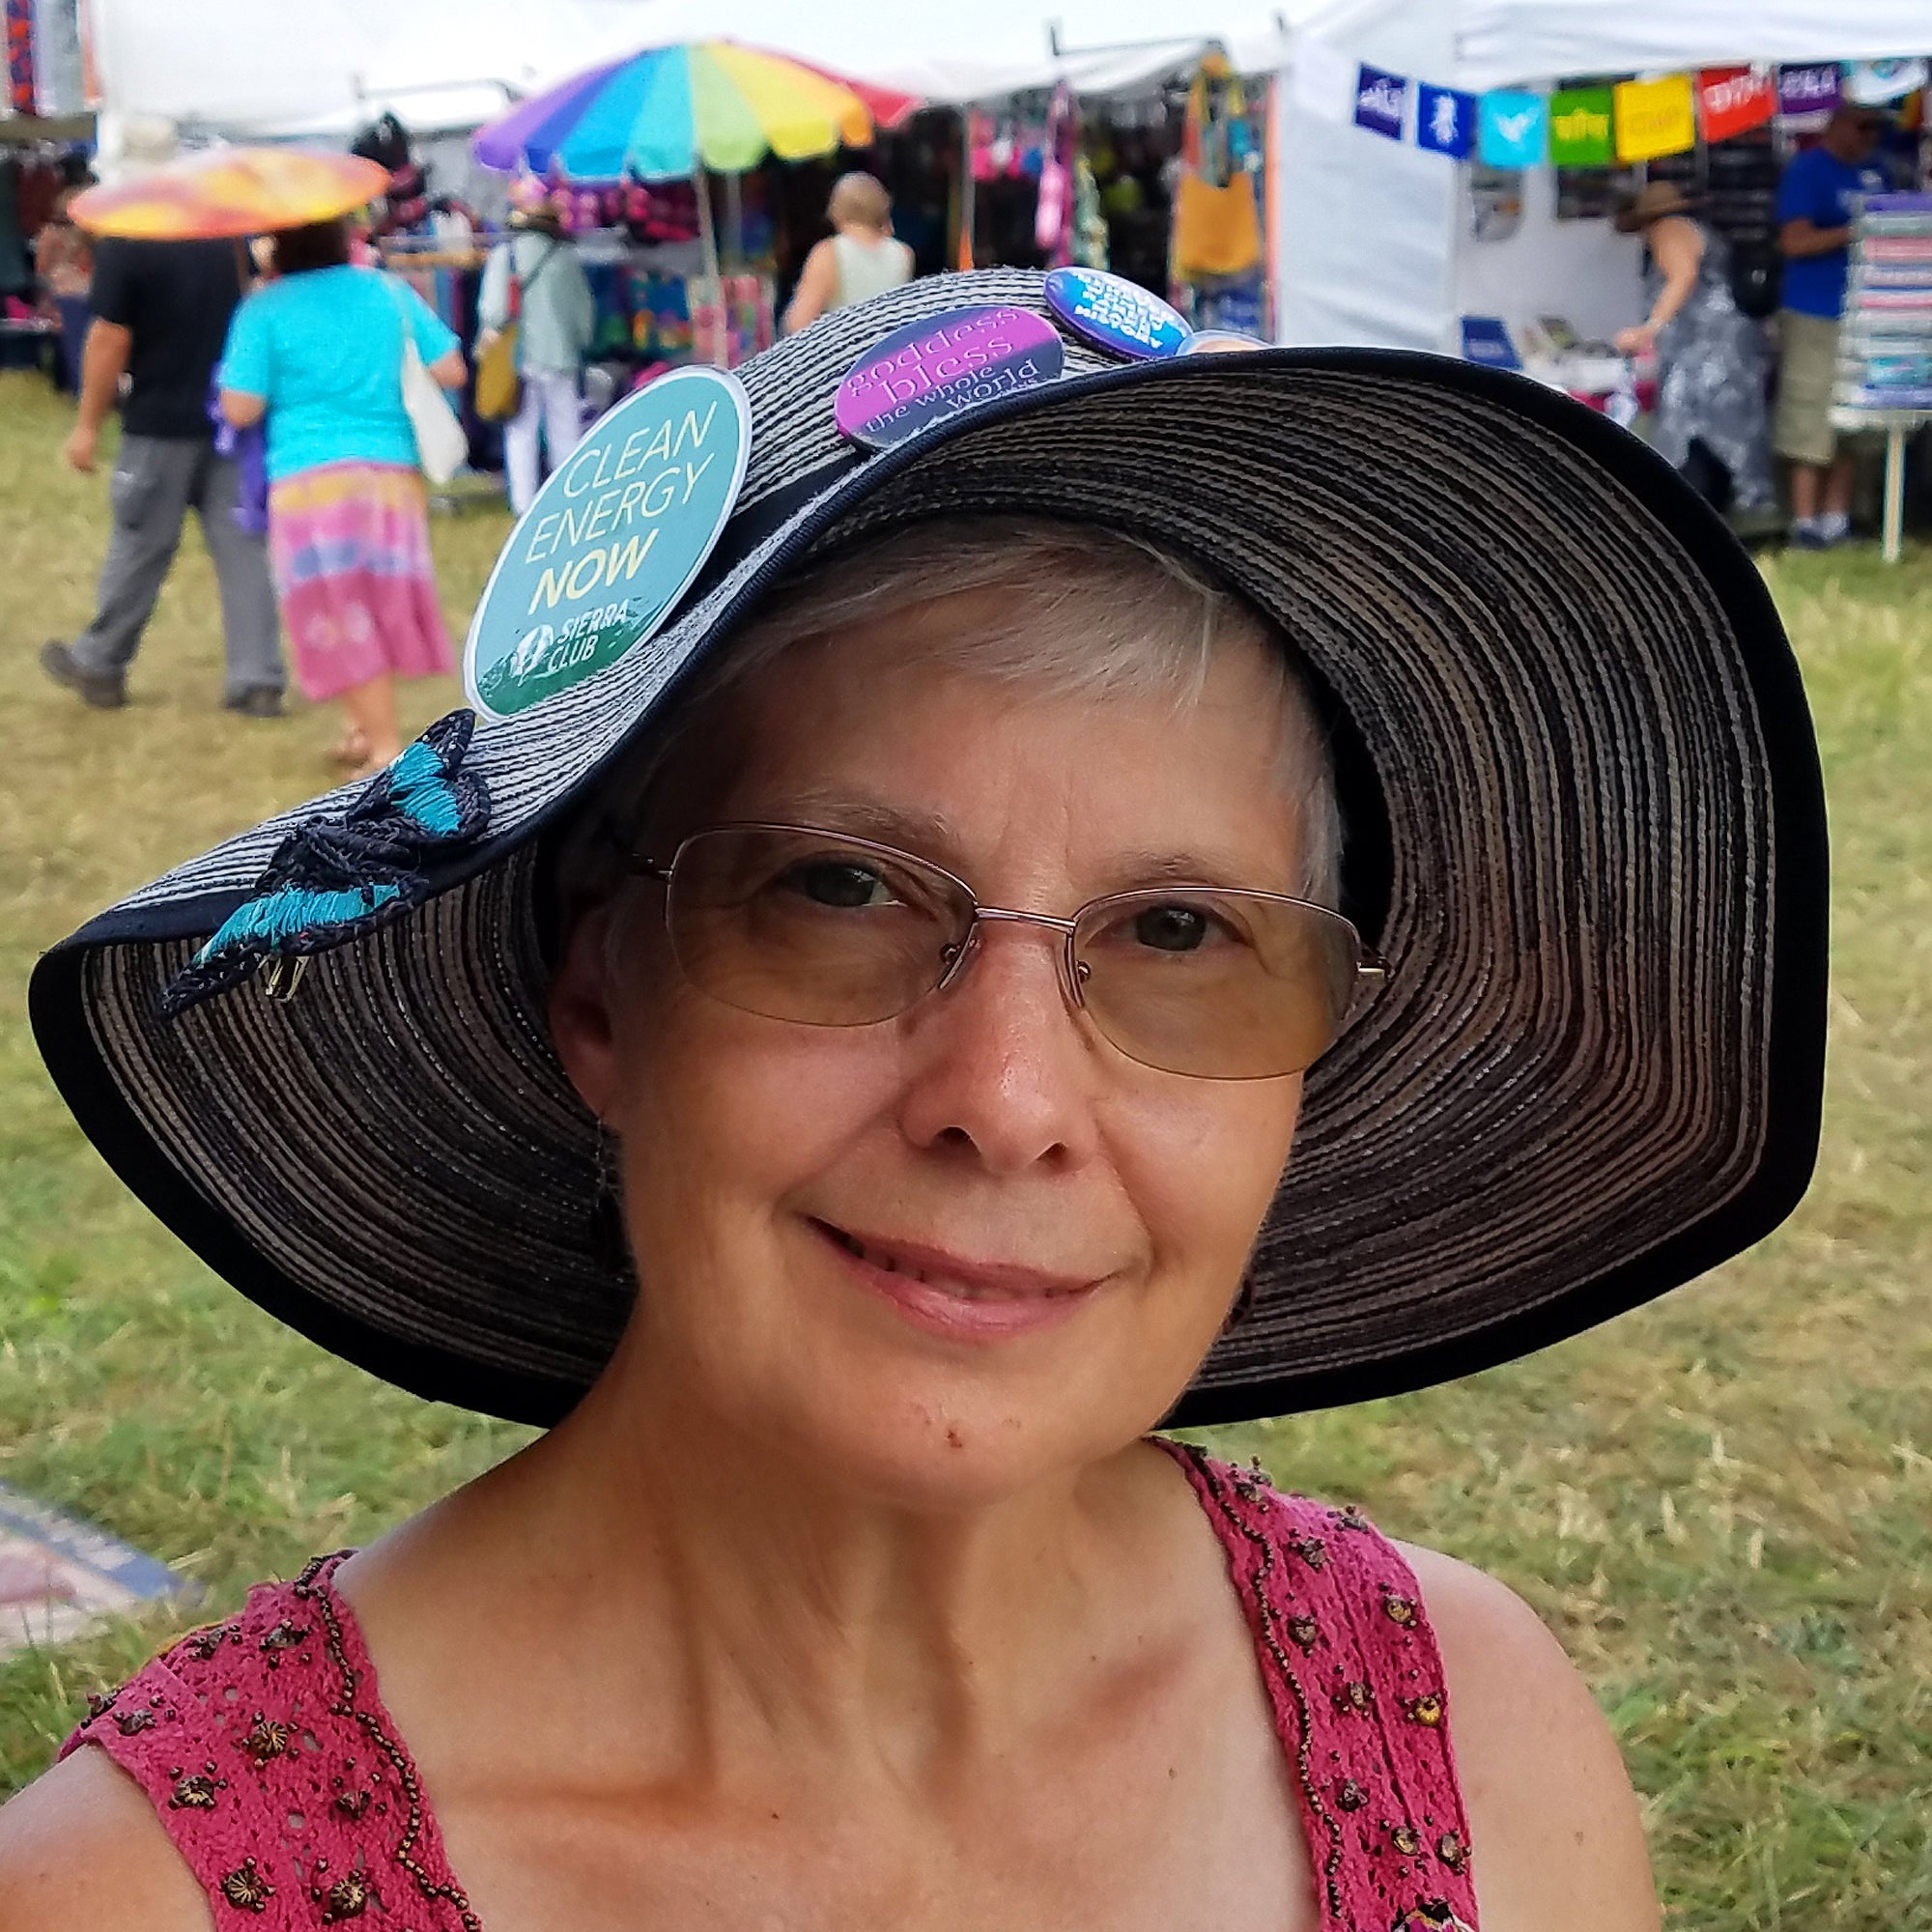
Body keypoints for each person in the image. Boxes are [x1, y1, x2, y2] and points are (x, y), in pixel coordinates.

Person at [4, 274, 1831, 1932]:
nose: (1010, 1099)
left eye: (1183, 929)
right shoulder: (136, 1897)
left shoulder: (1478, 1738)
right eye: (840, 891)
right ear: (596, 992)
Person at [217, 216, 466, 775]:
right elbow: (450, 369)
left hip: (310, 482)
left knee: (338, 608)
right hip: (390, 474)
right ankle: (360, 726)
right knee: (377, 601)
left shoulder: (264, 309)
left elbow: (241, 408)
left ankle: (384, 748)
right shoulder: (387, 291)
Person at [40, 234, 284, 717]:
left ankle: (101, 660)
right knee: (243, 549)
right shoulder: (225, 239)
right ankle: (258, 679)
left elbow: (111, 337)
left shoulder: (129, 242)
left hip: (158, 423)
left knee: (141, 543)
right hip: (228, 416)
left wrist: (87, 424)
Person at [1613, 182, 1774, 514]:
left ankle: (1692, 509)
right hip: (1728, 347)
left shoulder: (1667, 231)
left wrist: (1649, 329)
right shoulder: (1697, 230)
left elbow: (1682, 276)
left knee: (1688, 430)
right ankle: (1733, 503)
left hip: (1705, 351)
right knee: (1728, 428)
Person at [1774, 104, 1889, 548]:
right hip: (1815, 312)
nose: (1869, 136)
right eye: (1863, 126)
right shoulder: (1808, 172)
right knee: (1810, 417)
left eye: (1876, 128)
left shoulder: (1879, 171)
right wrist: (1856, 230)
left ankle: (1836, 520)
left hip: (1866, 312)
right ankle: (1804, 523)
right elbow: (1794, 242)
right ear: (1835, 126)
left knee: (1851, 421)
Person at [477, 184, 596, 517]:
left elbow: (495, 312)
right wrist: (580, 344)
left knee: (520, 432)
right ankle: (571, 498)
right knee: (565, 428)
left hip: (520, 356)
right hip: (561, 355)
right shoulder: (566, 258)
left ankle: (524, 506)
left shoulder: (506, 256)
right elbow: (583, 313)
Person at [781, 170, 915, 332]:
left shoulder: (828, 253)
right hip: (885, 354)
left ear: (836, 209)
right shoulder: (903, 254)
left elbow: (798, 322)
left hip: (844, 353)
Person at [33, 186, 94, 394]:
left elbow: (41, 267)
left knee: (68, 340)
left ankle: (69, 383)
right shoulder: (85, 235)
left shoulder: (51, 233)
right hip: (74, 289)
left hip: (63, 289)